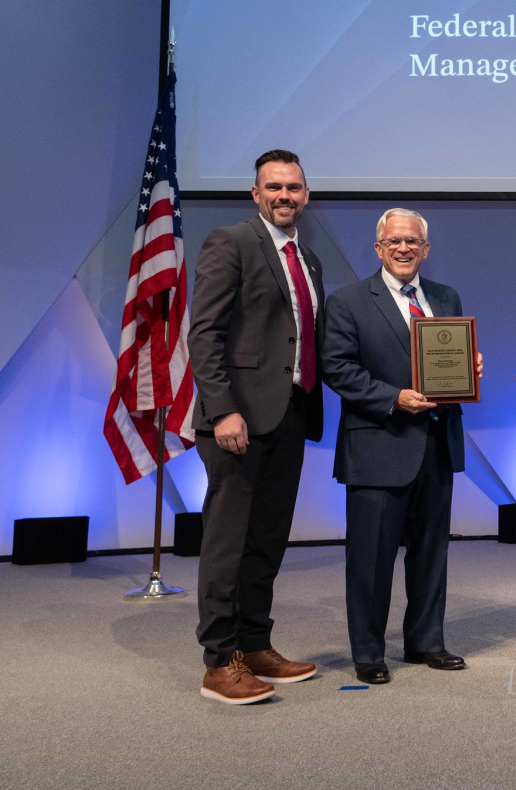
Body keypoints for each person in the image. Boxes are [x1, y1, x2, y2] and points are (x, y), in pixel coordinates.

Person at [187, 149, 325, 705]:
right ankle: (220, 662)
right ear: (255, 194)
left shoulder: (308, 259)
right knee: (228, 543)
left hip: (289, 415)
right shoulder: (231, 242)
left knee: (266, 540)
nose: (284, 196)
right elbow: (205, 333)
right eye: (274, 187)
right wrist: (222, 409)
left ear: (306, 195)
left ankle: (256, 643)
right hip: (237, 421)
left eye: (293, 187)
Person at [322, 208, 481, 685]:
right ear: (378, 249)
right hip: (378, 445)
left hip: (436, 443)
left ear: (426, 250)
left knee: (432, 552)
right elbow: (336, 367)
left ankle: (426, 641)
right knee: (370, 558)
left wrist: (467, 372)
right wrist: (393, 398)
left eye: (413, 241)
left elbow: (449, 359)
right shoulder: (348, 300)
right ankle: (369, 652)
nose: (404, 248)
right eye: (394, 242)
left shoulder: (445, 297)